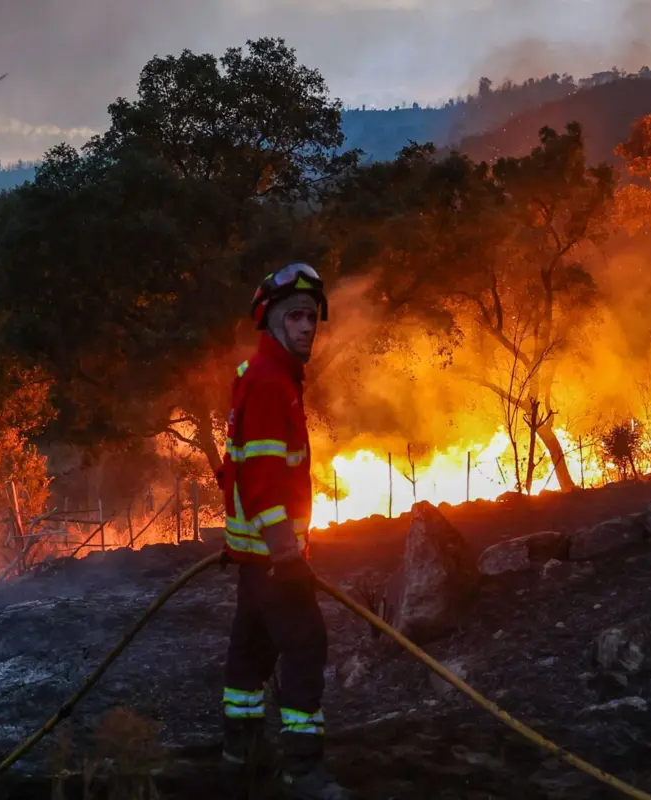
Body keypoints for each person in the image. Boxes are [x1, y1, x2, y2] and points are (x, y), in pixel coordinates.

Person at [215, 263, 354, 800]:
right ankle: (303, 771)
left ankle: (240, 755)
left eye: (311, 318)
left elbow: (243, 470)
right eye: (295, 317)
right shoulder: (273, 384)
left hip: (255, 558)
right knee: (305, 644)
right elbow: (263, 479)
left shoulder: (265, 375)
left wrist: (253, 549)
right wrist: (285, 554)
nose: (307, 327)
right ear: (271, 322)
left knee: (250, 653)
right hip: (273, 559)